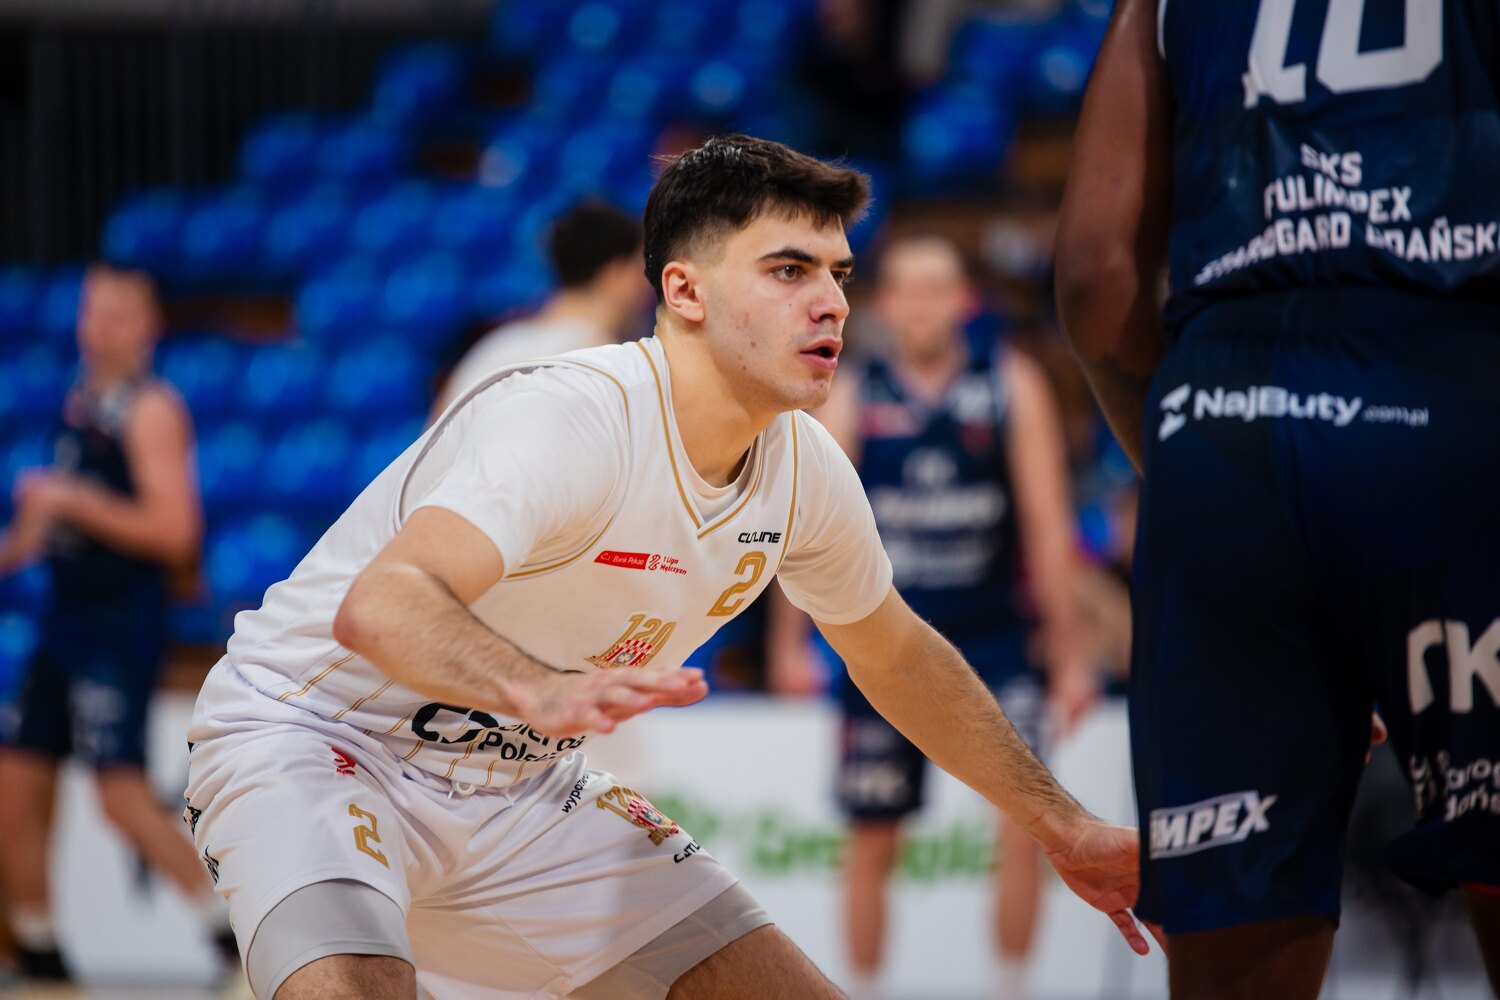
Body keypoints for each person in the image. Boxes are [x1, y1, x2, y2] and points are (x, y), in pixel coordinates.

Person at [184, 134, 1157, 1000]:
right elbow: (382, 605)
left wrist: (1063, 824)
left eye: (839, 272)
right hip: (319, 737)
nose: (830, 301)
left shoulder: (807, 468)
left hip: (521, 786)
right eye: (788, 269)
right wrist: (537, 688)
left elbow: (895, 655)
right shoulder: (573, 417)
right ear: (684, 291)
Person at [1056, 0, 1500, 996]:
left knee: (1235, 926)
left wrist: (1199, 475)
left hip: (1223, 424)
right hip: (1454, 391)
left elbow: (1095, 280)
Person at [768, 234, 1095, 1000]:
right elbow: (802, 528)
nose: (921, 306)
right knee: (871, 836)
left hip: (994, 642)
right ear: (885, 304)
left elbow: (1048, 528)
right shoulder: (854, 393)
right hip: (883, 645)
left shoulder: (1010, 384)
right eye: (908, 291)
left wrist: (1072, 656)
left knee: (1027, 825)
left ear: (963, 301)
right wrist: (788, 644)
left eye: (937, 289)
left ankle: (1010, 989)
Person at [0, 264, 230, 980]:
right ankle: (40, 950)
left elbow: (175, 532)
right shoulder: (79, 401)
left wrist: (71, 500)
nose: (100, 328)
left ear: (148, 326)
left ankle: (229, 931)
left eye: (118, 314)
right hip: (63, 617)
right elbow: (45, 525)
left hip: (117, 623)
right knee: (14, 784)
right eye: (92, 311)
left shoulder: (150, 408)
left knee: (119, 794)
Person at [432, 199, 653, 414]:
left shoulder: (494, 345)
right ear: (615, 275)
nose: (648, 284)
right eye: (641, 267)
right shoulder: (602, 361)